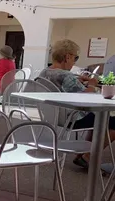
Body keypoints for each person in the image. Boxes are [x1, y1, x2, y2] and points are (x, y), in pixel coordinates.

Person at [39, 38, 115, 169]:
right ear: (67, 57)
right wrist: (91, 84)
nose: (75, 62)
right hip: (72, 118)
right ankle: (88, 156)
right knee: (111, 120)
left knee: (100, 117)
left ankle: (84, 154)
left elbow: (67, 87)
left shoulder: (44, 72)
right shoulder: (66, 76)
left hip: (54, 116)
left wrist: (78, 81)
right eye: (76, 58)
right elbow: (87, 95)